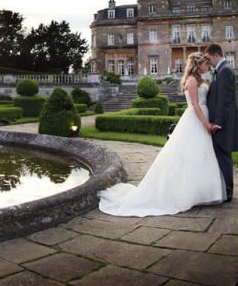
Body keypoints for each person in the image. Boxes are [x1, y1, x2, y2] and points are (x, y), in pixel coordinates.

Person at [97, 52, 226, 216]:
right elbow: (194, 105)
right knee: (190, 155)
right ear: (197, 65)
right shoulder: (192, 80)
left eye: (208, 63)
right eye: (205, 63)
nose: (208, 66)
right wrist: (206, 124)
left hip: (201, 116)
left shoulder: (201, 79)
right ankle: (186, 194)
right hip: (196, 119)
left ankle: (201, 192)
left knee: (201, 155)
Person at [204, 44, 238, 202]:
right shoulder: (222, 70)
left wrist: (218, 123)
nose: (209, 63)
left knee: (224, 156)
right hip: (221, 122)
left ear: (215, 55)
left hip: (223, 124)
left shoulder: (225, 70)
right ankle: (225, 189)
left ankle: (228, 191)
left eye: (208, 59)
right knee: (222, 156)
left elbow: (225, 101)